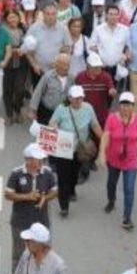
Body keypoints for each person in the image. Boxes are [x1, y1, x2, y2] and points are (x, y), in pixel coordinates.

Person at [49, 84, 102, 218]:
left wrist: (105, 140)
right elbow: (52, 123)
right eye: (75, 98)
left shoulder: (88, 108)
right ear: (70, 98)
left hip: (80, 149)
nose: (78, 100)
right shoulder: (62, 108)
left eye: (80, 98)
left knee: (74, 174)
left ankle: (72, 190)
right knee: (62, 177)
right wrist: (54, 127)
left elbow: (95, 125)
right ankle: (64, 206)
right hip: (63, 147)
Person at [5, 144, 58, 270]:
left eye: (42, 159)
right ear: (28, 160)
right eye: (38, 159)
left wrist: (44, 198)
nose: (41, 162)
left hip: (42, 222)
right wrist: (27, 196)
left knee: (43, 253)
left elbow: (55, 191)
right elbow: (8, 194)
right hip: (21, 222)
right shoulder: (16, 174)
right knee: (18, 254)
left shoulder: (47, 173)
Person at [99, 91, 137, 231]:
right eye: (123, 104)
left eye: (129, 105)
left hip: (131, 160)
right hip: (113, 158)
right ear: (119, 105)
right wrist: (102, 153)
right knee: (111, 183)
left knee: (129, 188)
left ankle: (127, 217)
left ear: (133, 106)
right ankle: (111, 200)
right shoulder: (112, 118)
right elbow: (106, 135)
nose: (126, 108)